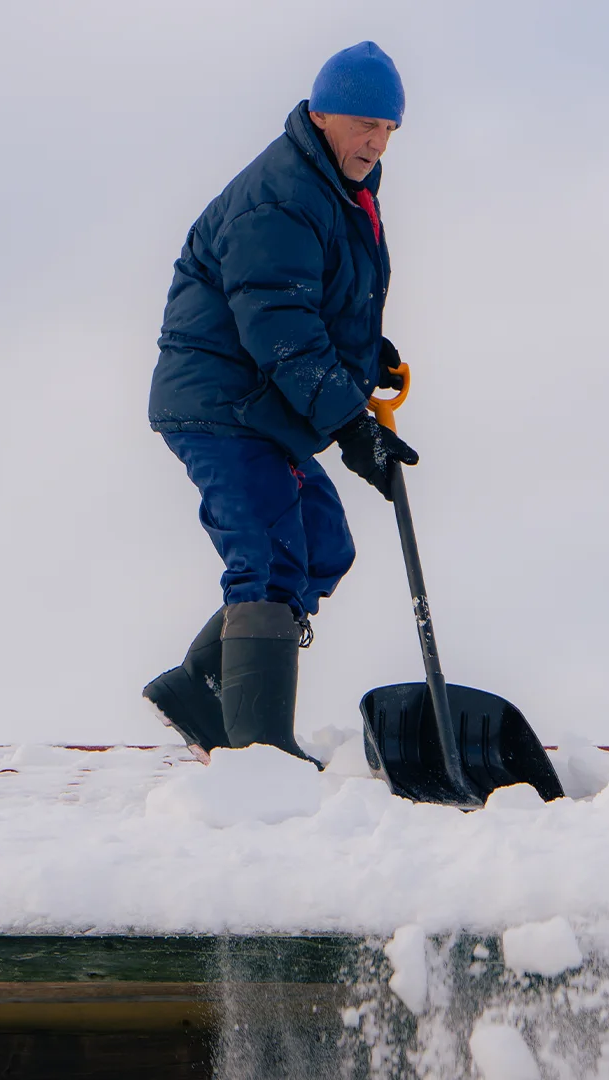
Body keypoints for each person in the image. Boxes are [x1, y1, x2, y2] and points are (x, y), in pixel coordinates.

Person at [144, 42, 420, 762]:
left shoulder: (340, 186)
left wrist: (365, 354)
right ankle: (259, 754)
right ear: (321, 113)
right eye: (364, 122)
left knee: (324, 546)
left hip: (266, 407)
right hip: (225, 405)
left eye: (389, 128)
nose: (376, 140)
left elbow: (315, 297)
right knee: (266, 560)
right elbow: (278, 323)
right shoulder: (282, 196)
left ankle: (198, 689)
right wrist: (352, 426)